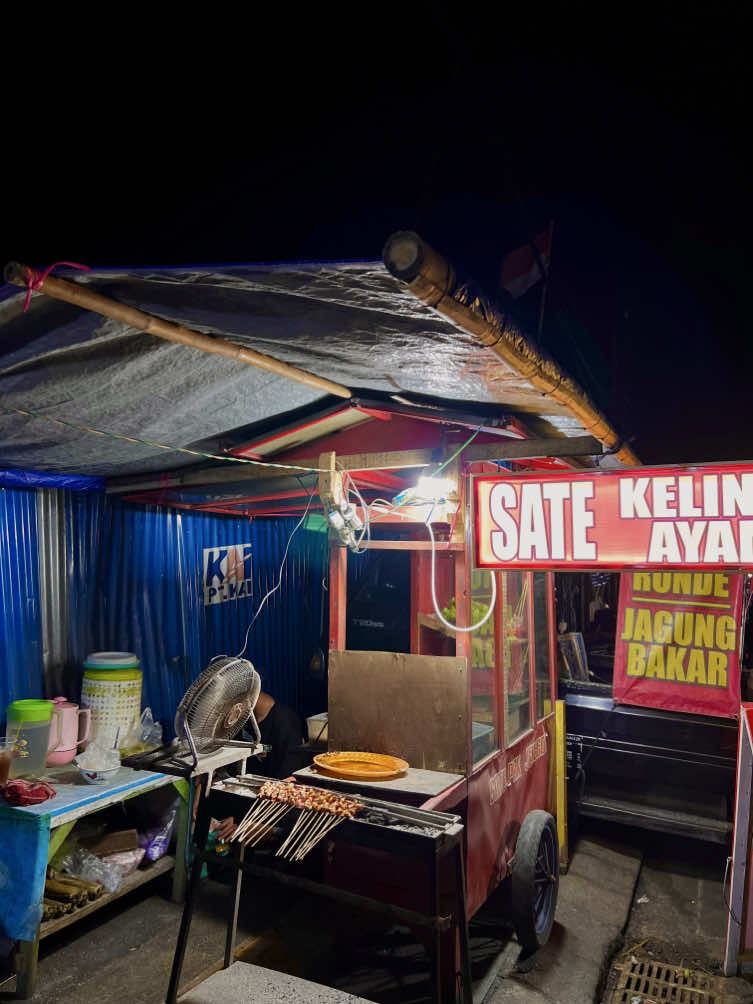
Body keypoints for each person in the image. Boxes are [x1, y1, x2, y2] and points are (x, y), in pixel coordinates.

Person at [211, 691, 304, 841]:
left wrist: (244, 820)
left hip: (273, 807)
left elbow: (286, 786)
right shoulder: (244, 721)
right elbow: (230, 772)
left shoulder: (285, 721)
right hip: (248, 799)